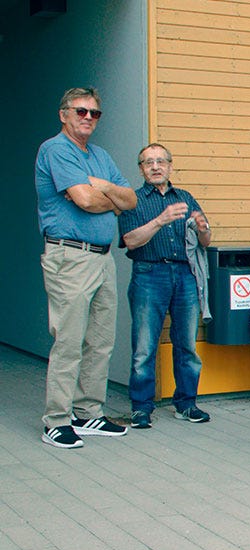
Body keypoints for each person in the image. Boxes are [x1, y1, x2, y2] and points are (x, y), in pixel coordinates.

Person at [34, 87, 136, 448]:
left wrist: (104, 187)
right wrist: (107, 197)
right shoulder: (56, 150)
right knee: (70, 340)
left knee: (101, 340)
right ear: (64, 114)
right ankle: (57, 420)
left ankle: (88, 411)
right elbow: (84, 200)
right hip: (70, 257)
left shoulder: (100, 156)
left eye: (95, 113)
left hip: (102, 257)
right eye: (81, 111)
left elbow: (131, 199)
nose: (88, 118)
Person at [117, 143, 212, 429]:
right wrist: (160, 220)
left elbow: (205, 241)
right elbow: (130, 241)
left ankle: (186, 404)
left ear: (170, 166)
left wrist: (204, 228)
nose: (156, 167)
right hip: (149, 274)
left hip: (184, 274)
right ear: (141, 169)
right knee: (144, 346)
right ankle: (141, 408)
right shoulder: (132, 199)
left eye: (161, 161)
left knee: (186, 344)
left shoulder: (185, 197)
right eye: (149, 162)